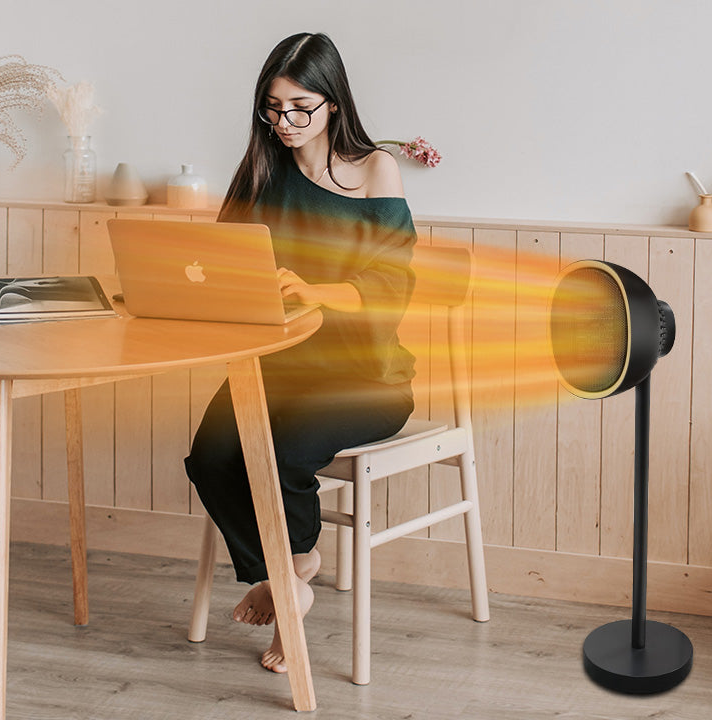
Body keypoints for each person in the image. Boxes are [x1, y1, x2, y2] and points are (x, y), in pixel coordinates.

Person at [185, 31, 418, 673]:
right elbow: (220, 257)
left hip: (365, 377)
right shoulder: (263, 169)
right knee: (209, 458)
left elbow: (393, 284)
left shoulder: (374, 171)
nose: (284, 123)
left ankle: (292, 573)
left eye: (299, 108)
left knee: (282, 452)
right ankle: (288, 571)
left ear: (333, 104)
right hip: (274, 364)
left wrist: (316, 290)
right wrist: (199, 276)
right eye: (272, 107)